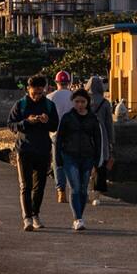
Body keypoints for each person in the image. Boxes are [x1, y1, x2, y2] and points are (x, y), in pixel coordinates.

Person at [8, 75, 59, 231]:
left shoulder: (49, 105)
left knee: (40, 186)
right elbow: (11, 125)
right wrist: (26, 122)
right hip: (24, 149)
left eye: (40, 90)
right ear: (28, 89)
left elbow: (55, 126)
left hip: (43, 149)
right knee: (25, 185)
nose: (37, 93)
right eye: (34, 90)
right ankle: (27, 218)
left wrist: (46, 121)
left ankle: (35, 214)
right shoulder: (20, 105)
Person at [55, 89, 104, 230]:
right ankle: (78, 218)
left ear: (87, 102)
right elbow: (59, 139)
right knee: (75, 188)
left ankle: (79, 215)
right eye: (77, 102)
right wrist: (58, 159)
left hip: (88, 157)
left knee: (83, 189)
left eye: (83, 101)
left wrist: (97, 162)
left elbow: (98, 140)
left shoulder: (93, 119)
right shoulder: (67, 118)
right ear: (73, 102)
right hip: (70, 156)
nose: (80, 105)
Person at [84, 77, 118, 198]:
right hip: (102, 135)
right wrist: (111, 141)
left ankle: (86, 190)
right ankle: (97, 194)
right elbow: (109, 124)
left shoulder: (84, 101)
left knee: (86, 164)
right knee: (101, 165)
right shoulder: (105, 103)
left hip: (86, 135)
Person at [46, 71, 77, 203]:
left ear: (56, 82)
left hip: (56, 134)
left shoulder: (49, 97)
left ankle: (61, 192)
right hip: (72, 134)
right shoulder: (74, 97)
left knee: (57, 162)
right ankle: (74, 190)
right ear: (69, 82)